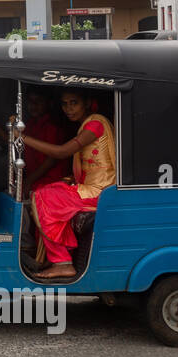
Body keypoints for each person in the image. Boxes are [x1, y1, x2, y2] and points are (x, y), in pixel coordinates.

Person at [24, 89, 117, 281]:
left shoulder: (95, 124)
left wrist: (22, 137)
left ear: (87, 103)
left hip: (102, 191)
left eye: (74, 103)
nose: (68, 109)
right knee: (44, 191)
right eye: (65, 104)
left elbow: (61, 152)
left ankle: (63, 262)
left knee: (43, 197)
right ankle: (57, 257)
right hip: (92, 188)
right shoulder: (87, 125)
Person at [0, 89, 65, 194]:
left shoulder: (51, 126)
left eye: (39, 101)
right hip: (33, 179)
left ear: (49, 103)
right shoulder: (30, 123)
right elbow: (11, 140)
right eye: (30, 101)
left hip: (49, 181)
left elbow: (51, 160)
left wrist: (29, 180)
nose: (33, 105)